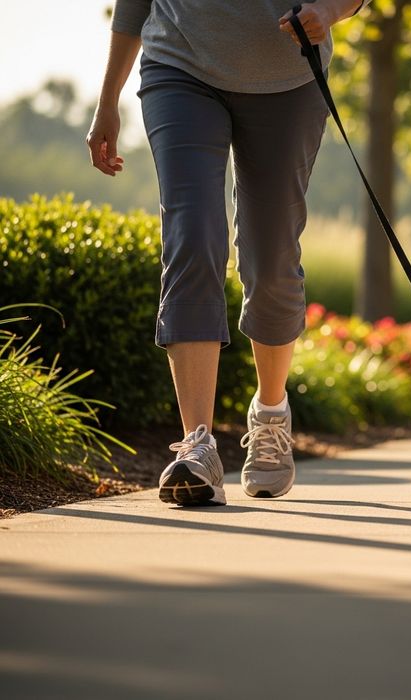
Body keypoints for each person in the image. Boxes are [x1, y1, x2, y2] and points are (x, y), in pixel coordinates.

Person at [87, 1, 368, 506]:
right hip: (180, 65)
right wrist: (107, 97)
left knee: (271, 255)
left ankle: (271, 412)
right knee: (191, 235)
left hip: (288, 77)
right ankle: (198, 445)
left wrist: (327, 10)